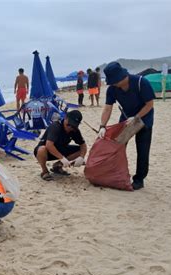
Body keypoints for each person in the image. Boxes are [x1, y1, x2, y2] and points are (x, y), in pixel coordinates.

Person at [98, 62, 155, 190]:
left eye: (113, 81)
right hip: (126, 119)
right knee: (118, 145)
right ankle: (117, 173)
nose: (112, 84)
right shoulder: (112, 89)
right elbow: (107, 108)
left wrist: (136, 118)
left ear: (121, 77)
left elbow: (149, 105)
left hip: (144, 119)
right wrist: (102, 126)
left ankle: (139, 179)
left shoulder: (142, 82)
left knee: (143, 150)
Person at [34, 110, 87, 180]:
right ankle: (44, 171)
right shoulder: (55, 126)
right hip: (46, 152)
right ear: (65, 118)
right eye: (69, 124)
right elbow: (49, 145)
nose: (70, 127)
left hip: (61, 149)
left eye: (73, 126)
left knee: (80, 150)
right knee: (42, 149)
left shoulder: (75, 130)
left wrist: (81, 157)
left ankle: (57, 166)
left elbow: (83, 145)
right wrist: (62, 158)